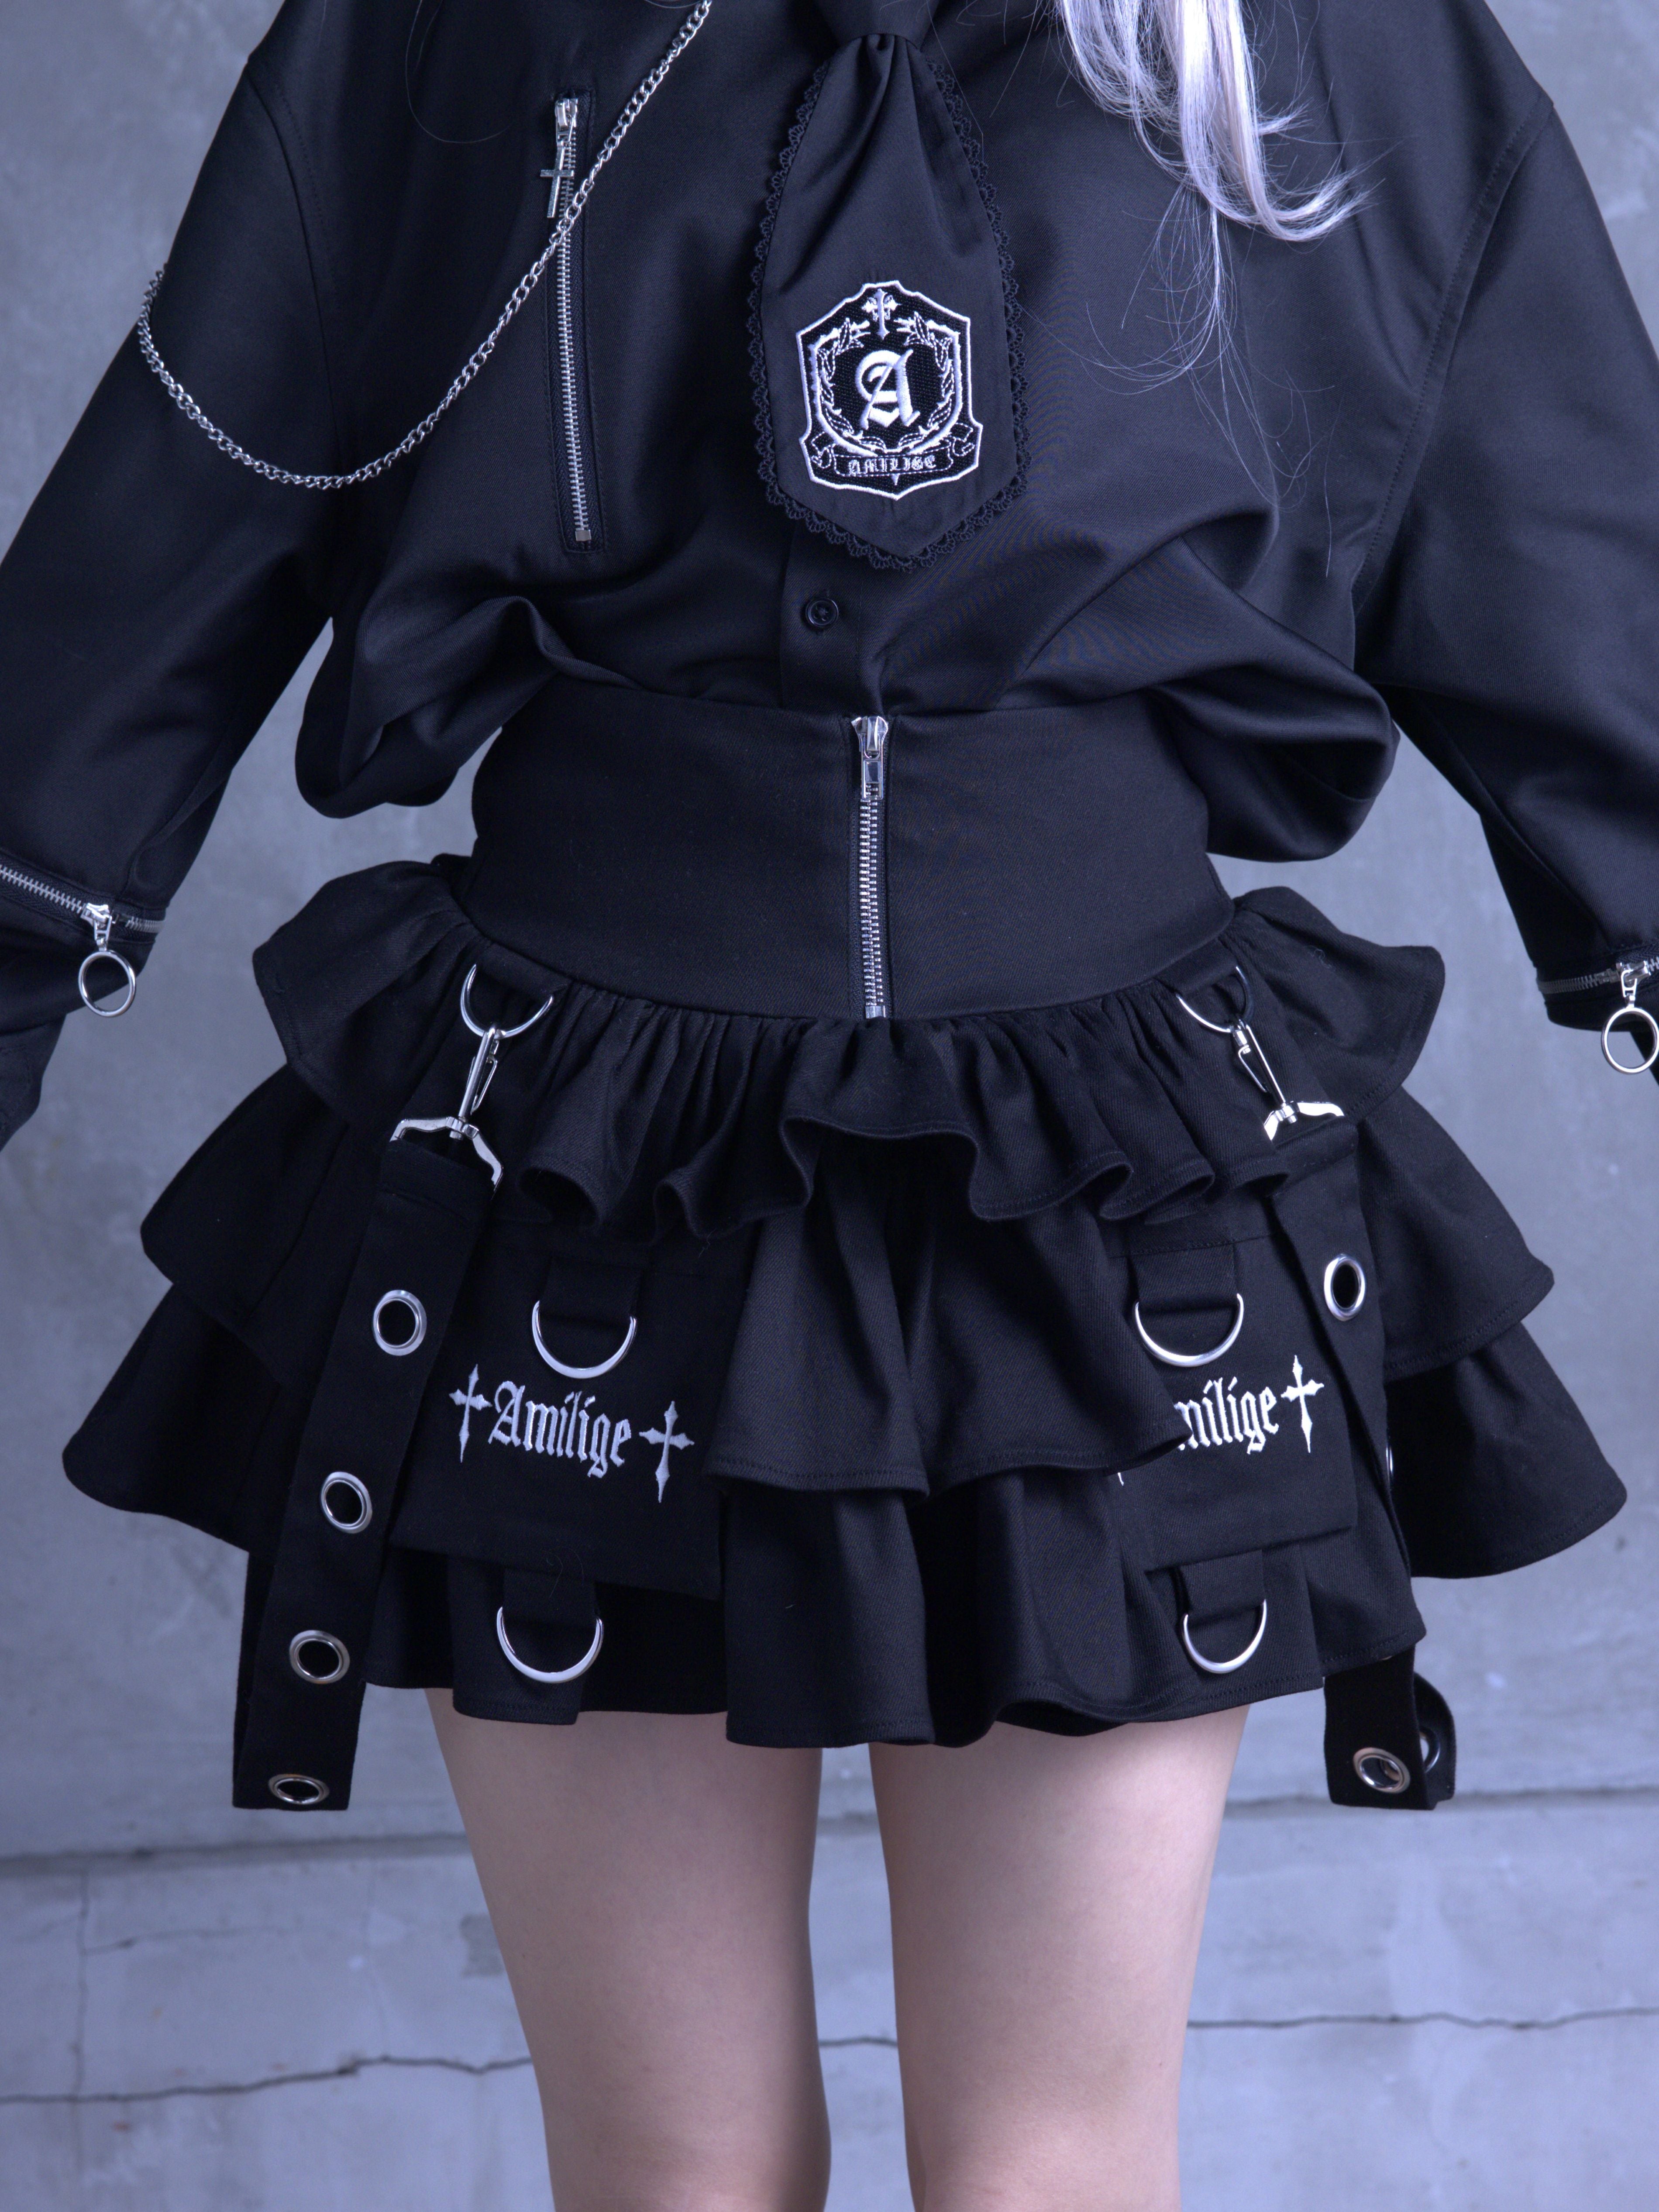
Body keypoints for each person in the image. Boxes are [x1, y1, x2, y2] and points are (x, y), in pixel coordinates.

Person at [0, 0, 1650, 2202]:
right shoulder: (441, 29)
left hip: (1109, 1184)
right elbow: (172, 524)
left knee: (1046, 2170)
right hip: (579, 1156)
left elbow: (1574, 565)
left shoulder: (1326, 40)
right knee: (670, 2173)